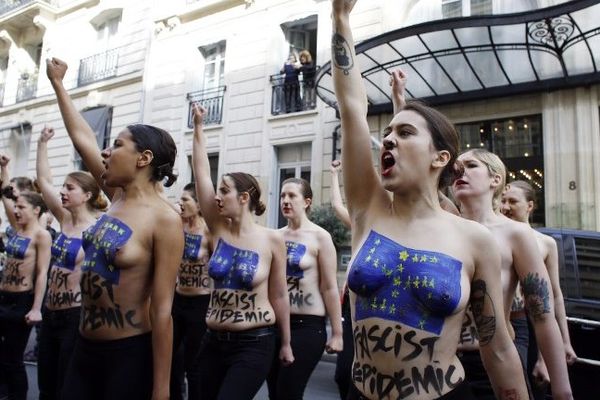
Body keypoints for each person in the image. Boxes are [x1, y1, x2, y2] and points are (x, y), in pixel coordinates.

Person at [330, 1, 528, 399]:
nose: (388, 139)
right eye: (387, 132)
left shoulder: (473, 240)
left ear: (440, 158)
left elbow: (499, 347)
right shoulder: (368, 210)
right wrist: (340, 19)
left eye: (404, 133)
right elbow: (353, 109)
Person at [46, 57, 184, 400]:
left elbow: (163, 310)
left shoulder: (165, 219)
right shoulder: (115, 195)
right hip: (83, 349)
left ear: (144, 158)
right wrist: (59, 84)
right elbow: (82, 140)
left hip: (128, 356)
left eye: (118, 145)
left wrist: (162, 389)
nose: (107, 152)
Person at [191, 103, 293, 400]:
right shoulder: (217, 230)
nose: (217, 196)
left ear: (244, 197)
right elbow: (200, 174)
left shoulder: (272, 240)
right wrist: (199, 127)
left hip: (254, 342)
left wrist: (285, 342)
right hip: (212, 340)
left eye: (224, 191)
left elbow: (279, 295)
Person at [452, 149, 573, 399]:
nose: (460, 171)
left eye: (471, 165)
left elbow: (542, 315)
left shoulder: (516, 234)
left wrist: (562, 390)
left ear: (495, 179)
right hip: (443, 367)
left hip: (498, 363)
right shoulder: (442, 227)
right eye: (455, 168)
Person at [35, 126, 108, 400]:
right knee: (45, 385)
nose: (63, 192)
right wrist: (42, 144)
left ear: (87, 195)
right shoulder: (64, 219)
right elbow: (43, 180)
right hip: (51, 313)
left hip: (75, 315)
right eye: (63, 187)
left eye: (70, 188)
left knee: (67, 385)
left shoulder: (99, 227)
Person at [267, 177, 343, 399]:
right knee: (274, 393)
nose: (285, 201)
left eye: (292, 196)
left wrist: (337, 333)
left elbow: (330, 288)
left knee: (288, 392)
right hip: (274, 326)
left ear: (307, 201)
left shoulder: (321, 237)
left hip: (307, 327)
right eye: (282, 196)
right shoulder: (275, 236)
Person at [501, 180, 577, 399]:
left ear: (530, 206)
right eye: (503, 200)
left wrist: (565, 342)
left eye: (513, 201)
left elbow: (554, 296)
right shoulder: (491, 237)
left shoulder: (545, 243)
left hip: (523, 322)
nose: (506, 206)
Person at [0, 155, 52, 400]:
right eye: (16, 207)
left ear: (36, 210)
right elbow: (5, 193)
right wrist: (4, 168)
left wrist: (35, 308)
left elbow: (42, 273)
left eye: (21, 207)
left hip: (21, 301)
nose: (16, 210)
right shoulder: (16, 228)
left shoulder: (41, 236)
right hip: (3, 296)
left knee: (12, 359)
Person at [170, 182, 212, 400]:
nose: (181, 203)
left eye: (185, 199)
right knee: (169, 358)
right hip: (177, 300)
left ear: (198, 203)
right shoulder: (176, 226)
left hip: (201, 302)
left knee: (194, 364)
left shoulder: (208, 231)